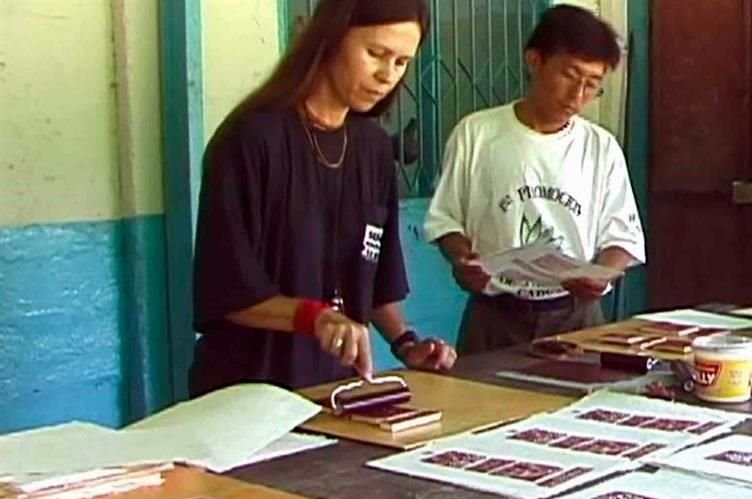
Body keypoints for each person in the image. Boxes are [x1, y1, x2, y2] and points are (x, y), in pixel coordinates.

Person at [190, 0, 457, 397]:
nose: (387, 75)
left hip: (336, 392)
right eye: (376, 54)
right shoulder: (251, 140)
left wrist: (406, 344)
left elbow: (372, 283)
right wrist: (314, 317)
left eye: (401, 62)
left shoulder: (373, 148)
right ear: (329, 39)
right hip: (247, 393)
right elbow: (227, 290)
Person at [424, 4, 646, 355]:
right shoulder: (477, 134)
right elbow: (446, 218)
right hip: (495, 315)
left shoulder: (601, 147)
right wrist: (464, 261)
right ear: (535, 60)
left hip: (577, 318)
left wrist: (601, 274)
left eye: (592, 85)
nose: (578, 96)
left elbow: (623, 238)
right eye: (570, 75)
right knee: (485, 405)